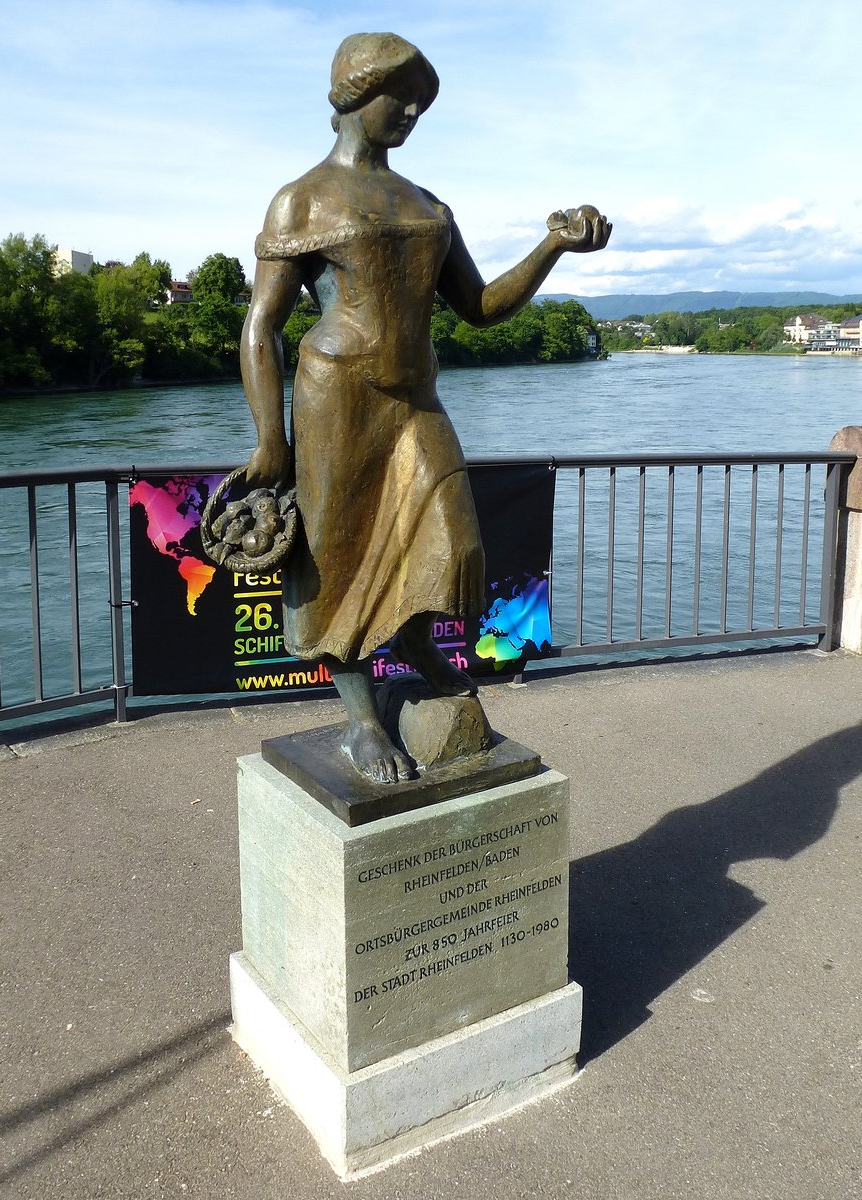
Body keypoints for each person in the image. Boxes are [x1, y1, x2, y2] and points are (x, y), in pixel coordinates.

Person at [241, 32, 611, 784]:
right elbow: (260, 327)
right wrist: (269, 439)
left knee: (446, 541)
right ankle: (360, 720)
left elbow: (477, 306)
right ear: (351, 93)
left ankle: (417, 654)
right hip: (336, 398)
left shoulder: (427, 204)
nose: (410, 113)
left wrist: (551, 248)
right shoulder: (302, 199)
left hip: (416, 400)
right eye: (398, 96)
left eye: (421, 103)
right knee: (337, 554)